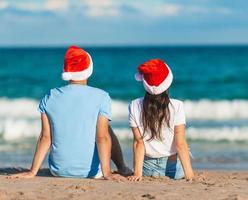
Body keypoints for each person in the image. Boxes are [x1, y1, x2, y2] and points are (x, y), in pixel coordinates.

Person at [10, 46, 131, 180]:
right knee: (105, 129)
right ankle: (122, 168)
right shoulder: (102, 97)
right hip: (91, 173)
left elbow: (45, 137)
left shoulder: (50, 96)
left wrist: (32, 172)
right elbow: (102, 138)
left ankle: (119, 168)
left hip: (58, 171)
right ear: (89, 70)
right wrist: (107, 173)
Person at [127, 59, 194, 181]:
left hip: (147, 169)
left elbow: (139, 143)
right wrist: (190, 176)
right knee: (184, 147)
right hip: (174, 170)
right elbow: (180, 144)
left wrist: (137, 173)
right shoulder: (177, 106)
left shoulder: (134, 105)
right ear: (168, 82)